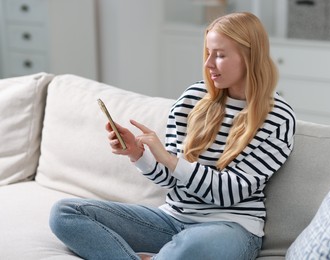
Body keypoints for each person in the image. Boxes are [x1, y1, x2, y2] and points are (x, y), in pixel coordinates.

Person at [49, 12, 296, 260]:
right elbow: (171, 181)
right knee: (65, 213)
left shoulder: (277, 117)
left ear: (250, 58)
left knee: (192, 247)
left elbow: (232, 192)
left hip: (231, 228)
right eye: (207, 53)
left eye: (220, 55)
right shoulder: (192, 99)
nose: (209, 64)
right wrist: (139, 154)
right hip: (170, 220)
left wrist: (171, 160)